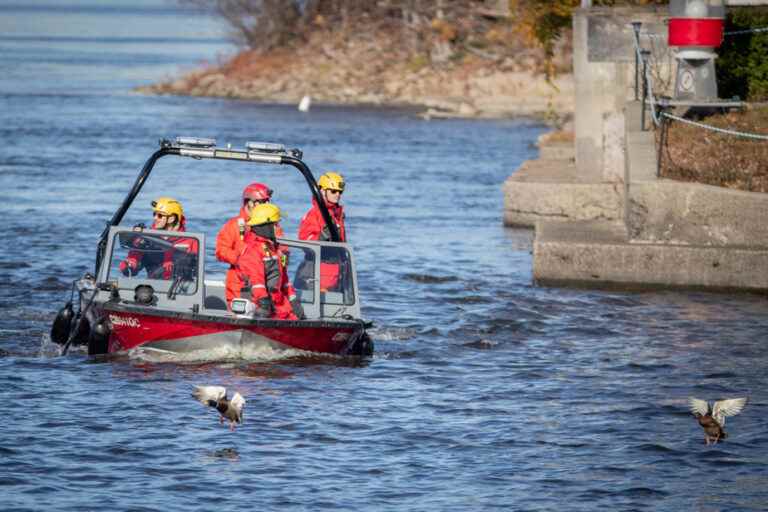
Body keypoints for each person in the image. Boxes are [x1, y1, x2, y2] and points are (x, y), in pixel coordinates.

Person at [216, 182, 284, 305]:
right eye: (263, 202)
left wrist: (282, 259)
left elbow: (283, 251)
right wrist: (241, 258)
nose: (267, 205)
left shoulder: (273, 226)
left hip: (268, 283)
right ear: (250, 202)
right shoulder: (234, 225)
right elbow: (220, 251)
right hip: (240, 284)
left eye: (268, 202)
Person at [234, 203, 304, 320]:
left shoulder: (273, 248)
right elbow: (256, 280)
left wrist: (293, 300)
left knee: (296, 318)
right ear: (265, 226)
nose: (279, 228)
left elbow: (284, 279)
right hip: (261, 308)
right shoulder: (252, 250)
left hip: (278, 306)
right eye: (276, 224)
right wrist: (264, 302)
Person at [119, 197, 197, 279]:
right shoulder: (147, 238)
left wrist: (188, 263)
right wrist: (128, 265)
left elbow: (196, 270)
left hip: (181, 289)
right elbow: (132, 264)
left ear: (171, 218)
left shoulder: (191, 241)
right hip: (153, 288)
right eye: (154, 214)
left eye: (159, 215)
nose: (155, 218)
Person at [298, 171, 346, 291]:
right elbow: (305, 243)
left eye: (340, 192)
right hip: (318, 273)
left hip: (336, 271)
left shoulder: (337, 215)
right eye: (333, 191)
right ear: (322, 191)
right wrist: (321, 237)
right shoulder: (314, 214)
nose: (338, 195)